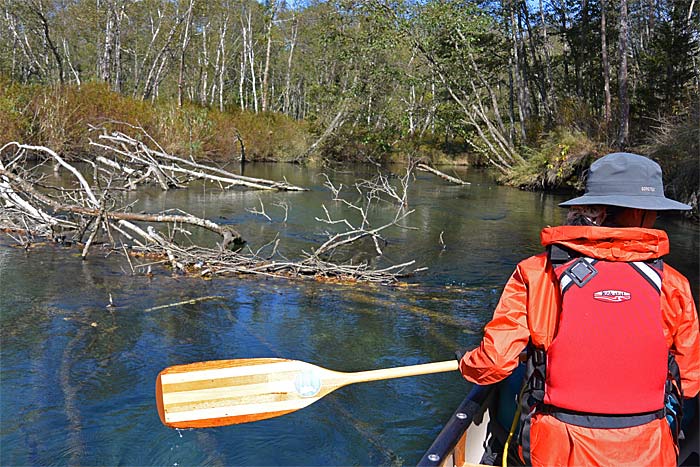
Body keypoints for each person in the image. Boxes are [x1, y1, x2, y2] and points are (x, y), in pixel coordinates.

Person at [458, 152, 699, 466]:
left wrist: (466, 363)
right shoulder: (673, 284)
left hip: (557, 452)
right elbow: (690, 380)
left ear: (591, 211)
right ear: (641, 214)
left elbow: (495, 363)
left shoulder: (535, 273)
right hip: (646, 452)